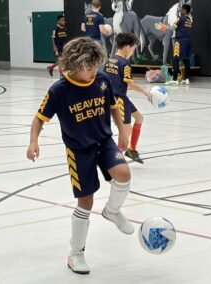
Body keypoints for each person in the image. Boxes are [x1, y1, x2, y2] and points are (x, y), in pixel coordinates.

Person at [27, 37, 134, 274]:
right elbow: (39, 118)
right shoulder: (59, 90)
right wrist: (33, 142)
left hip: (104, 142)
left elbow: (114, 106)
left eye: (97, 65)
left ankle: (113, 211)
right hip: (79, 151)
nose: (94, 71)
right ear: (74, 66)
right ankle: (76, 253)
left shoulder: (103, 80)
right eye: (89, 67)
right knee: (86, 201)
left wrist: (123, 132)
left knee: (124, 173)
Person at [105, 33, 151, 163]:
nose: (132, 52)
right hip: (119, 99)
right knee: (124, 134)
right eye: (133, 49)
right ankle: (115, 162)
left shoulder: (111, 59)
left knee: (139, 118)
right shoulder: (125, 63)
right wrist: (146, 93)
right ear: (127, 47)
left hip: (117, 97)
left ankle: (132, 150)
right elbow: (131, 85)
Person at [157, 4, 192, 85]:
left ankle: (175, 79)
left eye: (181, 9)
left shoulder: (180, 19)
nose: (180, 11)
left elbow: (173, 28)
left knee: (175, 59)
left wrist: (162, 26)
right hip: (188, 41)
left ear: (184, 10)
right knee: (186, 60)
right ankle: (186, 79)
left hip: (179, 41)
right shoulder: (189, 19)